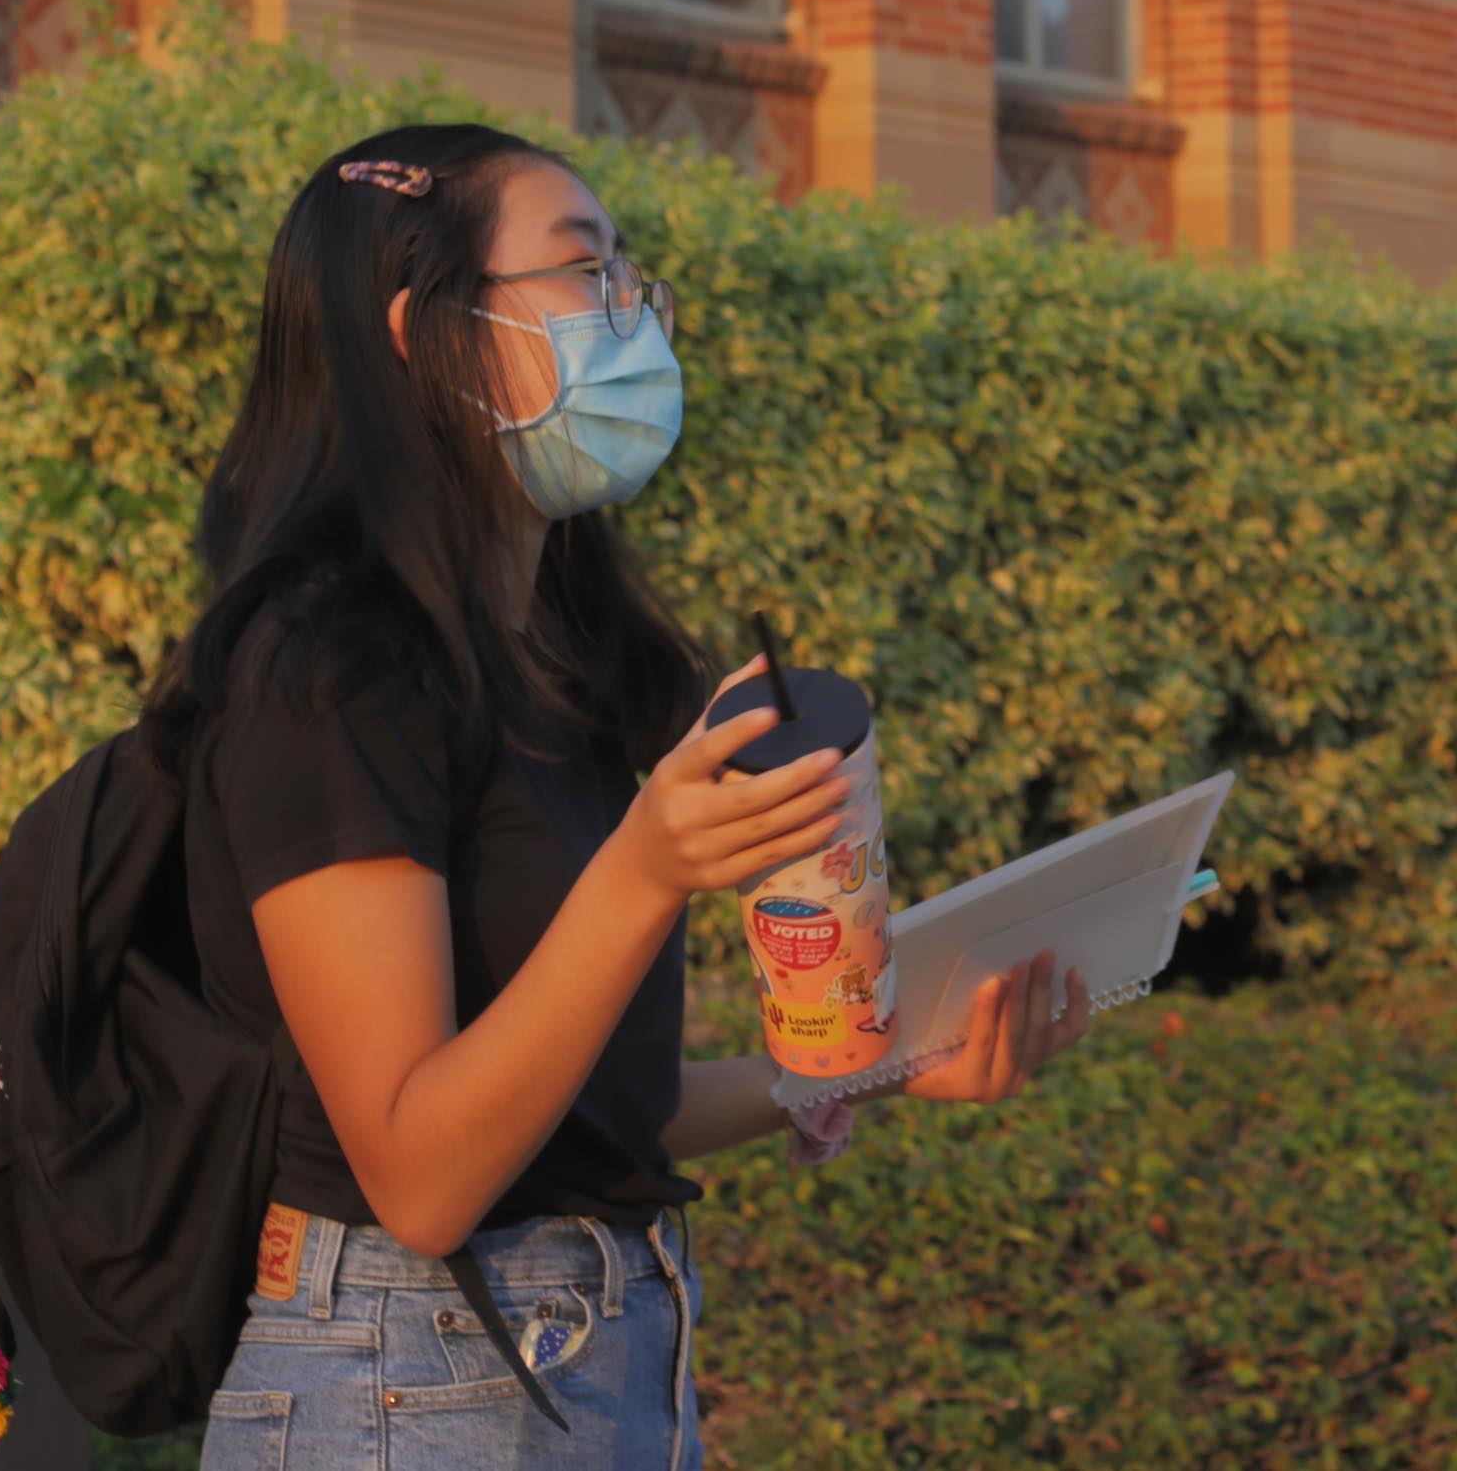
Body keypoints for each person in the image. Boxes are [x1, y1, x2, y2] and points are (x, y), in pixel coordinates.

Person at [143, 123, 1087, 1468]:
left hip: (608, 1354)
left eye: (631, 274)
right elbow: (420, 1173)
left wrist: (865, 1060)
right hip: (406, 1380)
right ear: (427, 331)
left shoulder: (568, 661)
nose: (634, 314)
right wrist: (644, 871)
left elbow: (592, 1114)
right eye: (586, 275)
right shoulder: (323, 667)